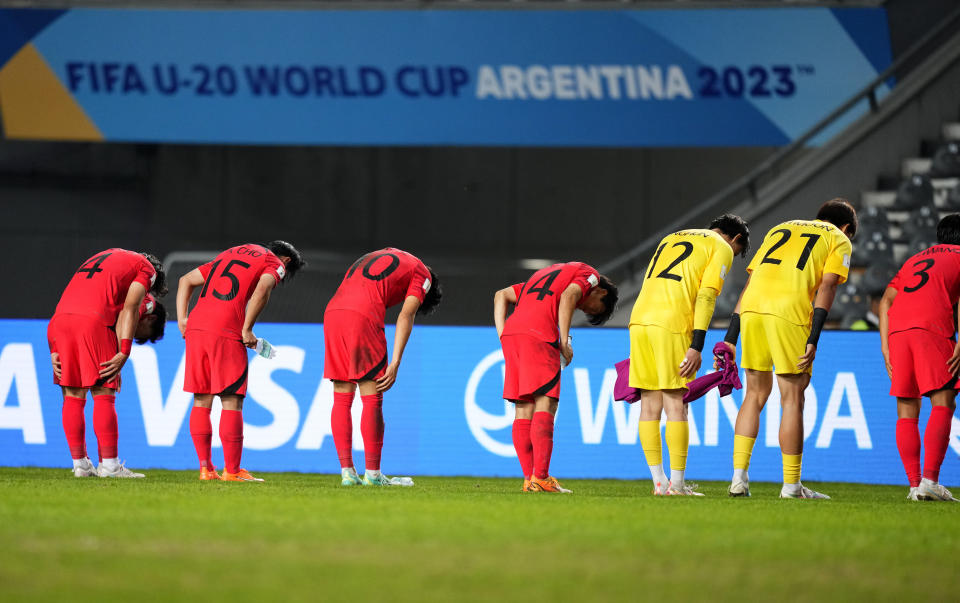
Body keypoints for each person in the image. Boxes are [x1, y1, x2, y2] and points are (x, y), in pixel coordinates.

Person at [724, 199, 856, 499]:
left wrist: (731, 335)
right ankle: (791, 486)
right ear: (847, 228)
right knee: (792, 398)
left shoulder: (780, 228)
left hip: (753, 309)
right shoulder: (838, 238)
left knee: (754, 394)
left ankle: (738, 479)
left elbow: (751, 283)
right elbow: (828, 286)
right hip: (790, 311)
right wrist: (814, 335)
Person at [629, 215, 749, 496]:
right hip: (672, 323)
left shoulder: (671, 237)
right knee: (676, 404)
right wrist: (697, 345)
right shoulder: (720, 246)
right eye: (737, 251)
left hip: (639, 320)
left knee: (649, 404)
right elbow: (707, 297)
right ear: (736, 240)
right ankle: (678, 485)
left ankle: (660, 483)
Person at [177, 241, 305, 482]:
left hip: (196, 326)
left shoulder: (232, 252)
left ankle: (206, 469)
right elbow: (263, 289)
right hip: (226, 328)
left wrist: (183, 319)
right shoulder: (274, 263)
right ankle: (233, 471)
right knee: (231, 400)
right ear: (286, 261)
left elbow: (185, 280)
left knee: (201, 399)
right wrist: (247, 328)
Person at [493, 262, 618, 493]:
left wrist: (503, 335)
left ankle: (530, 479)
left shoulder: (543, 275)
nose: (586, 309)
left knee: (523, 408)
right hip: (540, 333)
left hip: (513, 334)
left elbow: (501, 295)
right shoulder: (589, 274)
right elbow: (570, 295)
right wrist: (564, 340)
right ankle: (540, 476)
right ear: (602, 291)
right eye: (594, 308)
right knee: (546, 401)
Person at [324, 248, 442, 486]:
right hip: (362, 316)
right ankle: (373, 475)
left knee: (342, 397)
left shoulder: (381, 255)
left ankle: (347, 473)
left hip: (332, 313)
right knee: (372, 396)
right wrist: (396, 361)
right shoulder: (422, 274)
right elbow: (406, 315)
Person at [47, 248, 167, 478]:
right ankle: (110, 466)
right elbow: (130, 308)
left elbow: (72, 297)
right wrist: (123, 351)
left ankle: (80, 464)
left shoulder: (103, 256)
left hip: (59, 322)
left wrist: (54, 346)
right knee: (104, 391)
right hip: (92, 321)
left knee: (73, 395)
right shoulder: (146, 269)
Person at [879, 214, 960, 502]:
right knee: (943, 401)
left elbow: (886, 300)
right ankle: (930, 481)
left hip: (898, 331)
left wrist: (885, 346)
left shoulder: (914, 259)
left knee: (907, 407)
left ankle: (915, 486)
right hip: (932, 327)